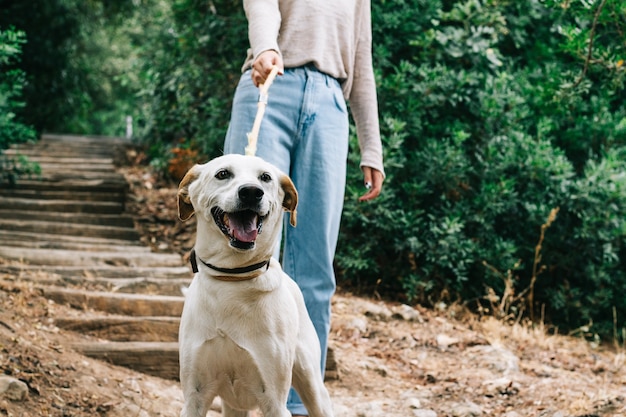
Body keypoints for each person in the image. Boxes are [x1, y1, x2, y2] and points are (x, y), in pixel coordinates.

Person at [223, 1, 384, 415]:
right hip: (269, 87)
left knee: (314, 266)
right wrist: (264, 47)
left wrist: (372, 145)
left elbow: (360, 56)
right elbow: (261, 7)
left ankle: (296, 403)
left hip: (330, 102)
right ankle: (234, 392)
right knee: (245, 252)